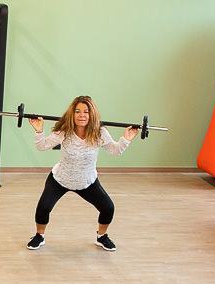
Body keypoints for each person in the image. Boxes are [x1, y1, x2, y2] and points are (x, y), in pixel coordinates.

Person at [25, 96, 139, 252]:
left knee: (108, 208)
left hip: (87, 181)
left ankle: (102, 237)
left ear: (92, 114)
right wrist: (39, 130)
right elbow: (42, 146)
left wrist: (126, 138)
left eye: (86, 112)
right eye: (77, 111)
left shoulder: (100, 133)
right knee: (43, 207)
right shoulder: (64, 131)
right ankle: (39, 236)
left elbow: (115, 150)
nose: (82, 115)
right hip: (61, 179)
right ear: (72, 114)